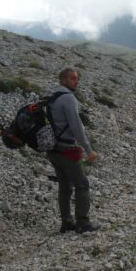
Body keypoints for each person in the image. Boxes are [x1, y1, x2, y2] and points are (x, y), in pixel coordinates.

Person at [46, 67, 100, 233]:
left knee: (65, 186)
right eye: (72, 78)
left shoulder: (51, 95)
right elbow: (76, 127)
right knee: (82, 184)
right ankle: (83, 223)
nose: (76, 81)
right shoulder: (68, 98)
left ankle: (66, 222)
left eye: (77, 78)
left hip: (52, 149)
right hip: (66, 149)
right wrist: (89, 150)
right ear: (62, 80)